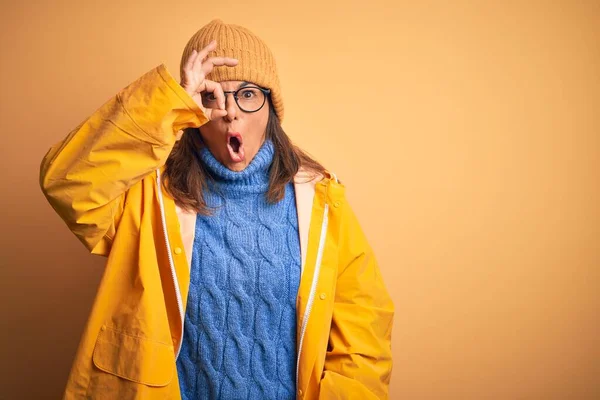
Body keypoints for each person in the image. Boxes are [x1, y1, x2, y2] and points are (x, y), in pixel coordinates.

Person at [40, 19, 394, 400]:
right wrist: (169, 101)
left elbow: (364, 339)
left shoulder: (324, 204)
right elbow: (67, 184)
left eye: (247, 94)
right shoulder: (148, 197)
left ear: (271, 108)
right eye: (212, 96)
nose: (229, 112)